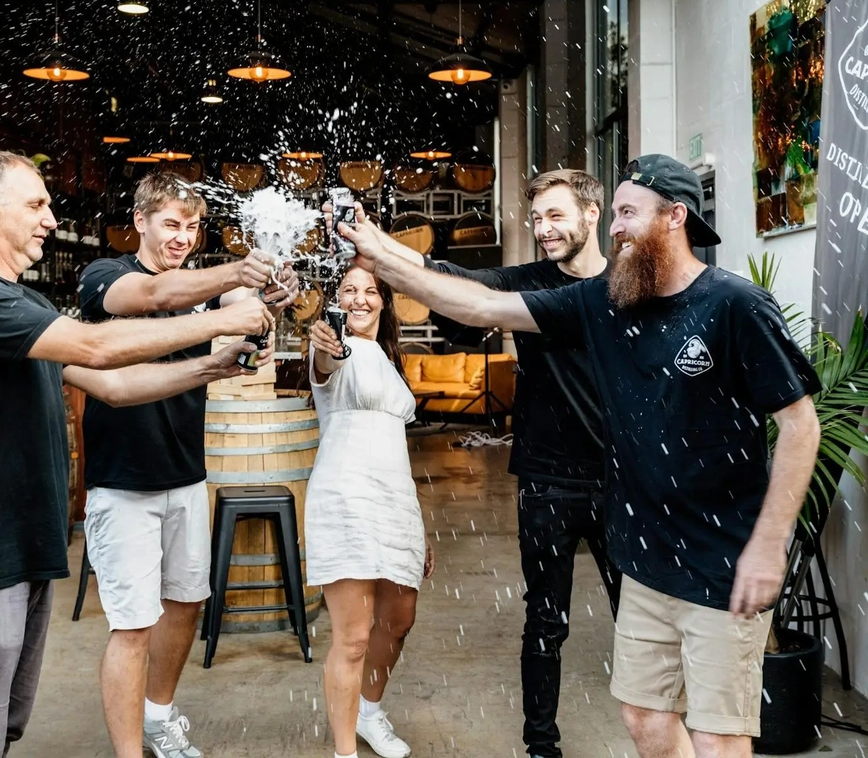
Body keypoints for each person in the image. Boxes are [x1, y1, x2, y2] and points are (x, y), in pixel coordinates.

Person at [338, 154, 822, 758]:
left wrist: (769, 546)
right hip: (644, 555)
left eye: (627, 213)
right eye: (615, 213)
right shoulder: (603, 301)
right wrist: (377, 252)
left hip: (718, 557)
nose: (615, 227)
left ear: (675, 217)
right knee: (644, 716)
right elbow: (479, 306)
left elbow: (800, 425)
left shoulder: (734, 304)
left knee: (718, 734)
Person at [0, 149, 275, 758]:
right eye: (37, 203)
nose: (51, 218)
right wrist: (221, 318)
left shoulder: (25, 305)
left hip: (21, 546)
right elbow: (97, 349)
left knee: (0, 730)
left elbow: (116, 386)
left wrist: (212, 366)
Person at [349, 169, 621, 757]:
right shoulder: (527, 281)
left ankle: (658, 736)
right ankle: (540, 747)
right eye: (538, 218)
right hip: (547, 479)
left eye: (556, 216)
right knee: (545, 622)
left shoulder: (626, 283)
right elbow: (455, 281)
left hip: (622, 479)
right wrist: (379, 242)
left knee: (640, 618)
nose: (544, 229)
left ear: (591, 214)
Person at [76, 168, 299, 758]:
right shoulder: (106, 277)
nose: (182, 236)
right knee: (131, 627)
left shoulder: (203, 286)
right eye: (171, 224)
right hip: (122, 483)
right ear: (140, 222)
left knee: (186, 603)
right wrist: (236, 274)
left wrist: (271, 290)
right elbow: (156, 296)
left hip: (186, 475)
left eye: (193, 226)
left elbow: (236, 301)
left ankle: (157, 717)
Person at [305, 265, 435, 758]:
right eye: (348, 291)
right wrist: (323, 345)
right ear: (336, 301)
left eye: (369, 291)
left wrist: (418, 522)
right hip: (345, 497)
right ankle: (345, 751)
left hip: (394, 499)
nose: (359, 300)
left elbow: (396, 448)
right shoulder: (335, 347)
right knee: (353, 638)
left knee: (399, 619)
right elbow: (324, 361)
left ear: (384, 301)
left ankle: (369, 710)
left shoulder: (386, 354)